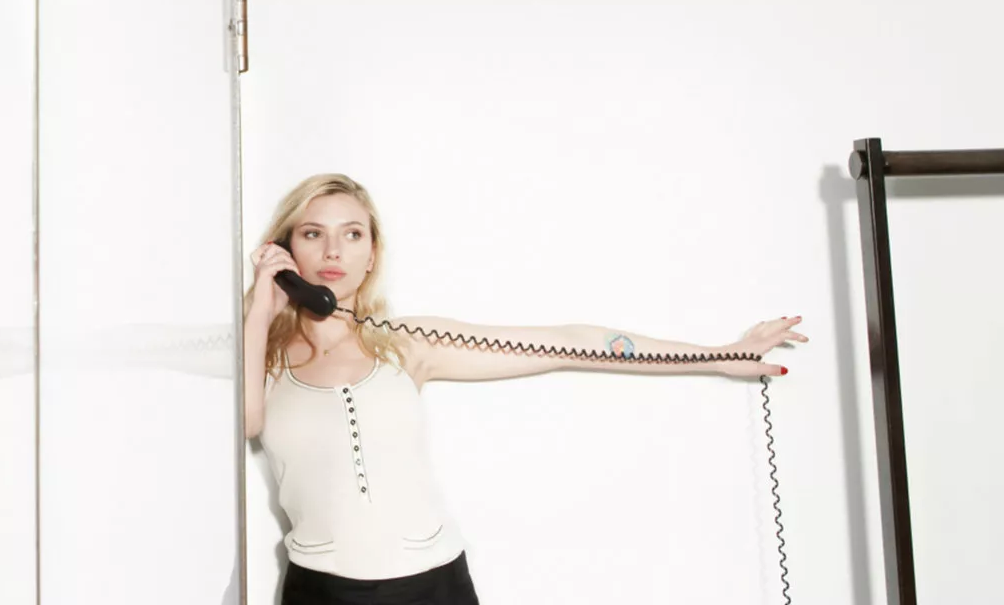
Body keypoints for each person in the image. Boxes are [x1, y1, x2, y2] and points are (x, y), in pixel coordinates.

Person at [243, 174, 807, 605]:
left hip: (433, 585)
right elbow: (246, 422)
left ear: (372, 255)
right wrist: (259, 310)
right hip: (320, 590)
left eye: (352, 234)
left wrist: (719, 356)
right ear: (285, 249)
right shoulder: (261, 356)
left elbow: (567, 343)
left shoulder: (406, 345)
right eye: (313, 234)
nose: (333, 252)